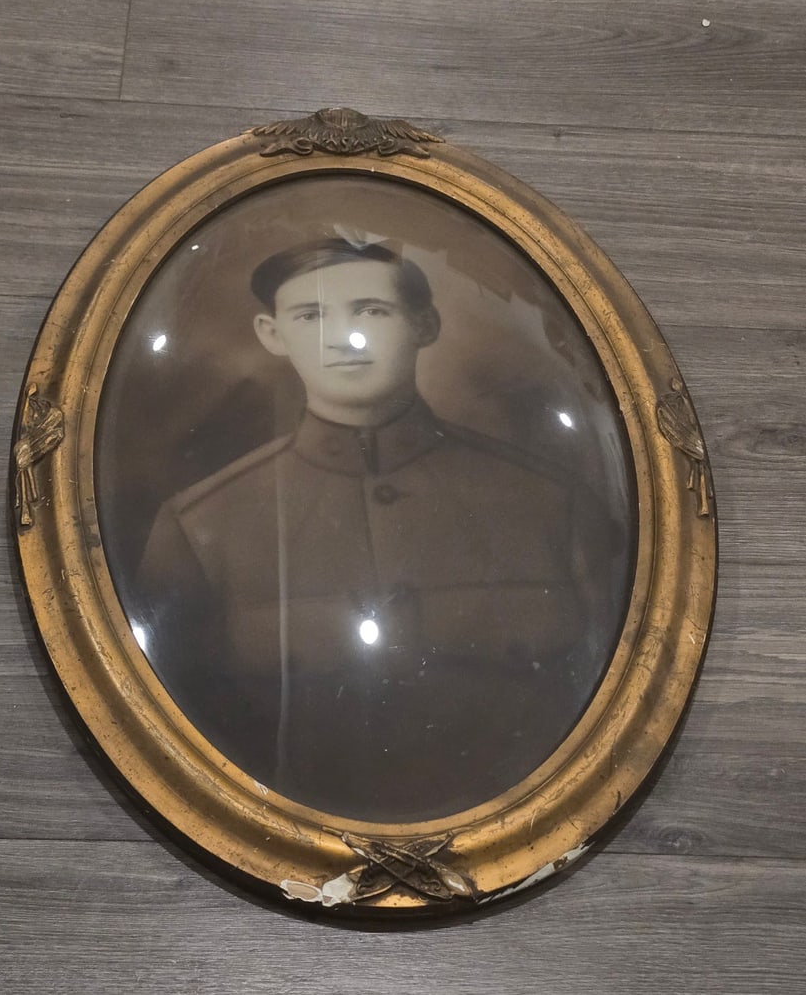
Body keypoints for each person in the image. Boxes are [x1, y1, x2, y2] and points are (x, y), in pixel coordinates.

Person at [137, 238, 620, 820]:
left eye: (372, 310)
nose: (343, 338)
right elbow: (174, 738)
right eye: (311, 316)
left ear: (425, 323)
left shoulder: (553, 503)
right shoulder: (199, 525)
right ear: (271, 334)